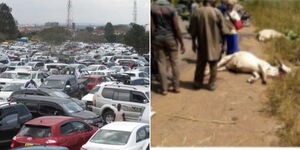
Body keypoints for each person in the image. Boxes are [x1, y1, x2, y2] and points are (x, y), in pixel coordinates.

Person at [190, 0, 228, 91]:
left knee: (200, 64)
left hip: (202, 43)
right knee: (213, 65)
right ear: (212, 2)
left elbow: (192, 31)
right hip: (215, 43)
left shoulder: (197, 12)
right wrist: (224, 44)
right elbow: (224, 31)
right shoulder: (217, 12)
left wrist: (193, 43)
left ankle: (197, 83)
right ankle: (212, 84)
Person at [151, 0, 185, 95]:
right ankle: (176, 87)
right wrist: (181, 42)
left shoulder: (153, 8)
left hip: (158, 39)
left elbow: (152, 27)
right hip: (171, 39)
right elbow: (176, 28)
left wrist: (152, 42)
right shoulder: (171, 9)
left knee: (161, 63)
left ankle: (164, 89)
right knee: (175, 63)